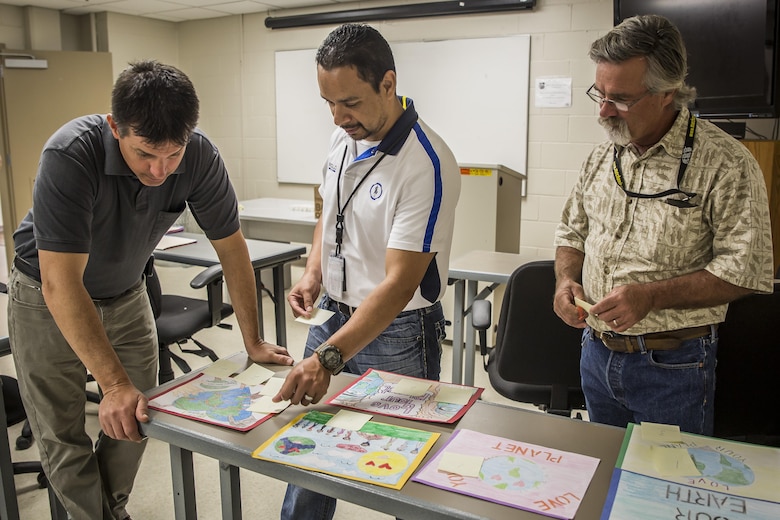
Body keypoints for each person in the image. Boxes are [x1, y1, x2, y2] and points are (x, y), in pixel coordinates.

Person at [6, 60, 293, 520]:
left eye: (172, 155)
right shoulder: (70, 155)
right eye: (144, 154)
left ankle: (112, 510)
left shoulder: (198, 154)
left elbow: (232, 249)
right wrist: (112, 383)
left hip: (125, 295)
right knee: (62, 433)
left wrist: (253, 341)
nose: (160, 171)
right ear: (114, 127)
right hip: (45, 298)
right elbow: (62, 283)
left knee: (139, 414)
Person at [273, 23, 460, 520]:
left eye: (350, 102)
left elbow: (400, 283)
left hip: (397, 331)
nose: (338, 117)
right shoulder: (344, 139)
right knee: (307, 453)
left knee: (401, 466)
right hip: (332, 315)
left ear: (388, 83)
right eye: (328, 103)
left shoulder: (426, 162)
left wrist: (327, 359)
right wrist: (314, 272)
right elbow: (327, 215)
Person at [553, 14, 774, 436]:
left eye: (620, 98)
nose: (603, 111)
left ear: (667, 92)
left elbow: (746, 269)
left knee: (665, 494)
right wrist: (565, 281)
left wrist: (650, 297)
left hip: (673, 366)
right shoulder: (602, 158)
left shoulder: (725, 162)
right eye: (598, 94)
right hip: (596, 357)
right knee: (604, 481)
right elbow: (571, 233)